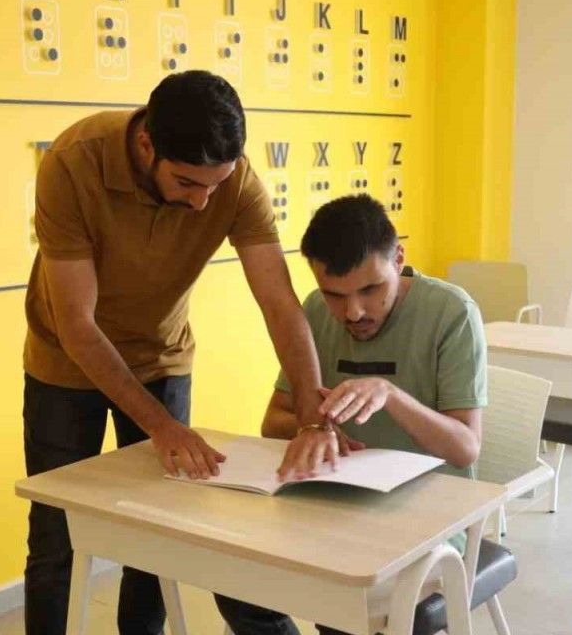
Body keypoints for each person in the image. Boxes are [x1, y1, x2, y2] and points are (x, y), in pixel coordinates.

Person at [23, 71, 344, 635]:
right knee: (57, 534)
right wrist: (163, 428)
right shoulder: (72, 163)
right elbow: (78, 326)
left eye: (215, 187)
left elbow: (279, 303)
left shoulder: (235, 181)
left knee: (161, 528)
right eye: (188, 183)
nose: (202, 202)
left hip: (161, 358)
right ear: (147, 145)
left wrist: (314, 420)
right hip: (64, 364)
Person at [214, 193, 489, 635]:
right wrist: (318, 427)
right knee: (235, 582)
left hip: (429, 517)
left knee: (344, 606)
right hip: (333, 505)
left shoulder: (451, 312)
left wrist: (390, 395)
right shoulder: (313, 311)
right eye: (334, 295)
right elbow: (274, 421)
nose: (353, 312)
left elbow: (465, 448)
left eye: (370, 290)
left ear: (398, 259)